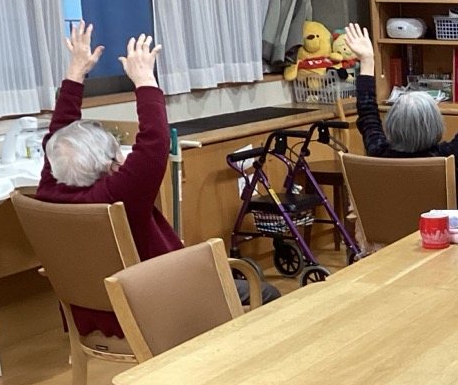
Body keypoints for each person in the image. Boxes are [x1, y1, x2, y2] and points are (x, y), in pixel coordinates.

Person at [36, 23, 279, 343]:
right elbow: (155, 142)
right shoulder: (118, 196)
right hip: (156, 311)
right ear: (109, 165)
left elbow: (58, 135)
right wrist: (144, 80)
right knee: (266, 291)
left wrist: (75, 72)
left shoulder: (49, 191)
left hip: (93, 316)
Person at [345, 21, 458, 208]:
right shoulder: (450, 157)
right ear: (436, 125)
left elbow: (367, 112)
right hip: (444, 228)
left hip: (392, 228)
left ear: (391, 125)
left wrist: (367, 60)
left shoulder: (379, 153)